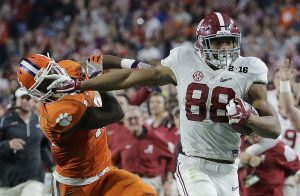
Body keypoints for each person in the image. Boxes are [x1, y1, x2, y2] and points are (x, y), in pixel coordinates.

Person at [47, 12, 281, 196]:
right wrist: (82, 86)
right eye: (218, 42)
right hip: (194, 164)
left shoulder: (250, 68)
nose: (224, 48)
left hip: (229, 167)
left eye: (229, 41)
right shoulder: (184, 61)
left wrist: (250, 119)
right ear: (201, 43)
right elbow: (130, 78)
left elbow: (274, 127)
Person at [16, 53, 156, 195]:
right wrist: (98, 80)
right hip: (76, 186)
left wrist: (133, 64)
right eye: (43, 85)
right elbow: (115, 112)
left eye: (50, 74)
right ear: (35, 94)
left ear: (55, 65)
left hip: (105, 173)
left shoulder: (68, 68)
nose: (50, 85)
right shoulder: (58, 115)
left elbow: (95, 61)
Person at [0, 87, 54, 196]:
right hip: (7, 180)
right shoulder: (5, 121)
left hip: (33, 178)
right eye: (22, 98)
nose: (25, 101)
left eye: (28, 98)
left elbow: (42, 147)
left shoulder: (39, 120)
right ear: (16, 100)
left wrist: (52, 164)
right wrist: (8, 144)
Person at [112, 106, 175, 196]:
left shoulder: (155, 137)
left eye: (136, 118)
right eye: (129, 119)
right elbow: (112, 162)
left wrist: (168, 181)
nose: (133, 121)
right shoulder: (120, 139)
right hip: (130, 182)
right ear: (125, 122)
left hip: (152, 181)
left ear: (142, 119)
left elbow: (171, 157)